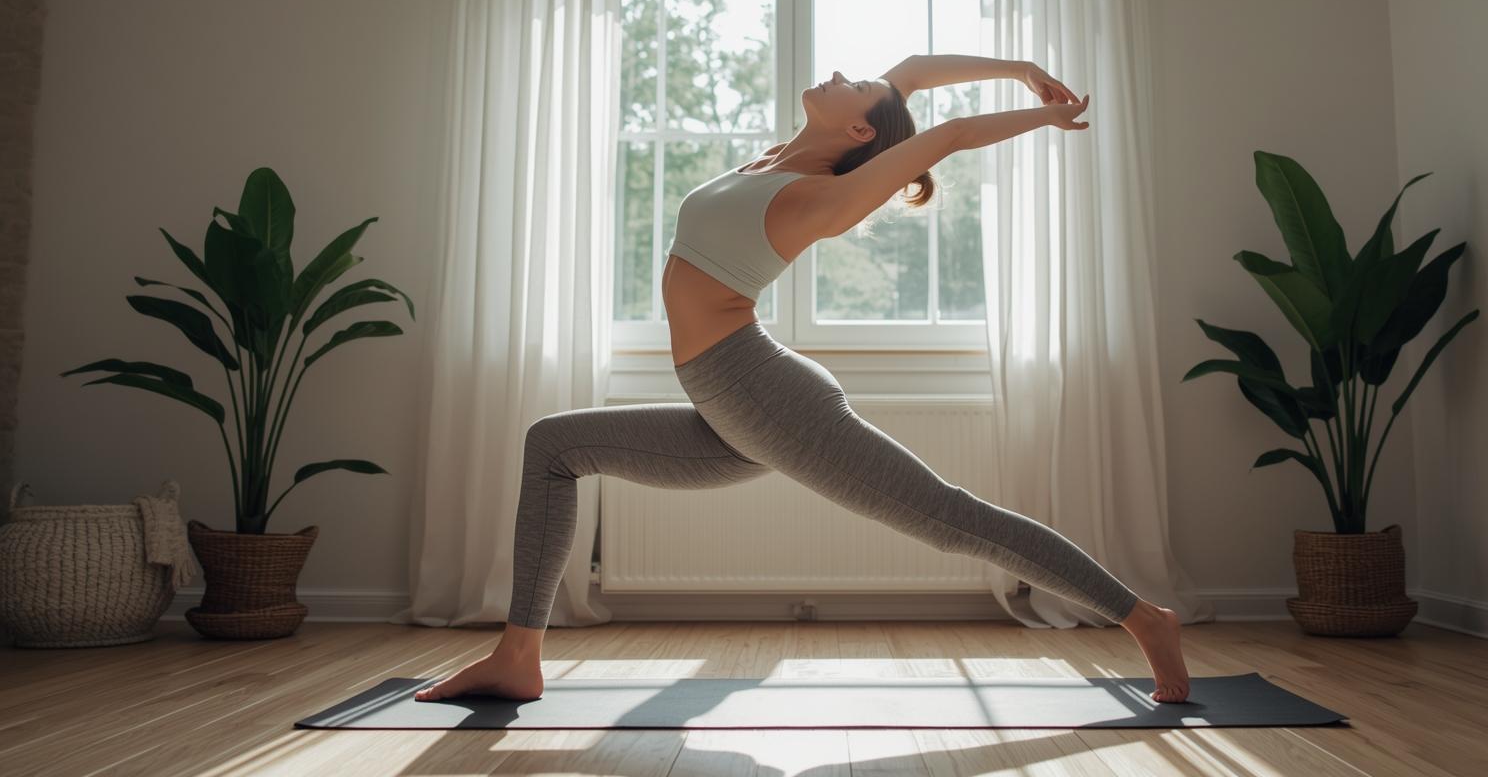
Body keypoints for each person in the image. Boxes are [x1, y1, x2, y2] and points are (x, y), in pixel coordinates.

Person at [416, 55, 1190, 705]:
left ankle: (1142, 617)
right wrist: (1018, 68)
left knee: (950, 518)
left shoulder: (827, 196)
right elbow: (916, 76)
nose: (841, 72)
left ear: (858, 131)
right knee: (554, 445)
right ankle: (518, 660)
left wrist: (1044, 117)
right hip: (731, 399)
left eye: (855, 84)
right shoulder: (781, 159)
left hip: (762, 397)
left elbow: (947, 135)